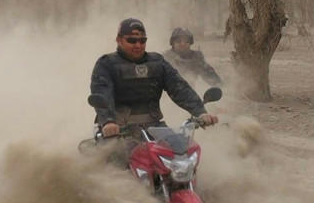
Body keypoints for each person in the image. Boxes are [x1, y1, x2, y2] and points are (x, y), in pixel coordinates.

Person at [90, 18, 218, 138]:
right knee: (113, 159)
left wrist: (200, 112)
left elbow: (179, 88)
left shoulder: (157, 62)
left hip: (155, 127)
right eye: (132, 41)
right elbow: (102, 93)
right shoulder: (106, 64)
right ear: (119, 40)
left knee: (180, 151)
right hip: (118, 131)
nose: (138, 45)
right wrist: (108, 122)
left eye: (142, 41)